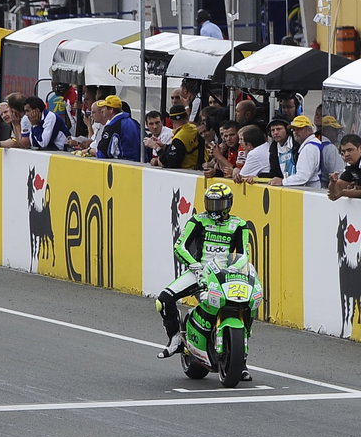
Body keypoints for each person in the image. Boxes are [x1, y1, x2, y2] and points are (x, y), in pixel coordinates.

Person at [155, 182, 253, 370]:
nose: (213, 209)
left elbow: (244, 255)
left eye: (217, 204)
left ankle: (241, 361)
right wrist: (194, 264)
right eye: (210, 203)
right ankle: (175, 338)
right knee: (163, 300)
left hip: (225, 275)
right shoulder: (198, 220)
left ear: (228, 204)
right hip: (199, 272)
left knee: (246, 305)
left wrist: (235, 268)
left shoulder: (239, 224)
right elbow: (179, 246)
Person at [272, 114, 340, 189]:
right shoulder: (313, 144)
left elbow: (303, 176)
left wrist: (283, 182)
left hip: (313, 192)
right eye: (294, 129)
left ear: (309, 130)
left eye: (300, 129)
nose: (296, 132)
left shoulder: (309, 148)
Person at [92, 96, 143, 161]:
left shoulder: (112, 126)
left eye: (104, 108)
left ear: (111, 110)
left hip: (122, 164)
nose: (102, 110)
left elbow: (102, 153)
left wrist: (91, 151)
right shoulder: (134, 122)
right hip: (138, 164)